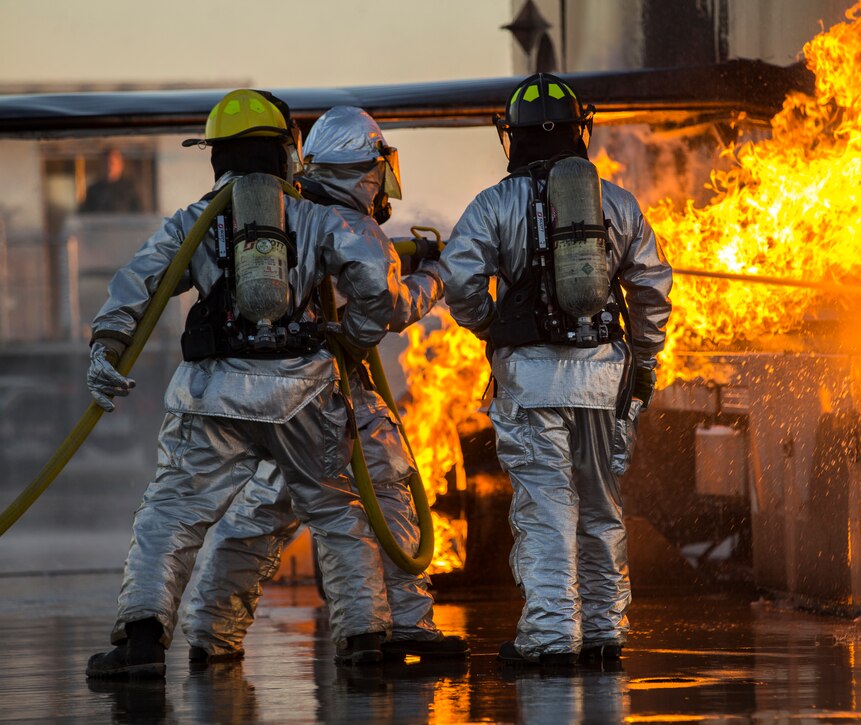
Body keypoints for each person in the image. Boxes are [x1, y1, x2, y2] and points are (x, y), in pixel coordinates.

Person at [84, 89, 396, 679]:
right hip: (304, 388)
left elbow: (138, 283)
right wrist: (352, 334)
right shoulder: (314, 215)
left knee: (172, 513)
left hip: (214, 393)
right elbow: (378, 278)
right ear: (286, 153)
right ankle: (364, 638)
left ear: (216, 157)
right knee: (336, 509)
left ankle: (144, 642)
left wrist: (107, 346)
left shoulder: (194, 221)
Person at [180, 106, 468, 664]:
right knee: (382, 484)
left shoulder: (290, 212)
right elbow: (389, 308)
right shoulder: (345, 226)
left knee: (265, 504)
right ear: (365, 169)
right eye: (379, 172)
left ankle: (209, 634)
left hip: (277, 393)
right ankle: (399, 628)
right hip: (324, 386)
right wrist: (437, 275)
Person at [438, 73, 672, 665]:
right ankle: (603, 634)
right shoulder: (617, 203)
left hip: (531, 380)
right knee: (600, 506)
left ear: (511, 137)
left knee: (547, 507)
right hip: (603, 379)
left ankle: (548, 639)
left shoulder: (495, 204)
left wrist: (493, 322)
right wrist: (642, 361)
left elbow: (459, 280)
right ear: (580, 134)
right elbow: (651, 290)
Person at [80, 147, 146, 213]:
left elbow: (138, 213)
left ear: (120, 165)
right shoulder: (93, 190)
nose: (109, 167)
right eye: (105, 163)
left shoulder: (130, 189)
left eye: (112, 163)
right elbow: (86, 214)